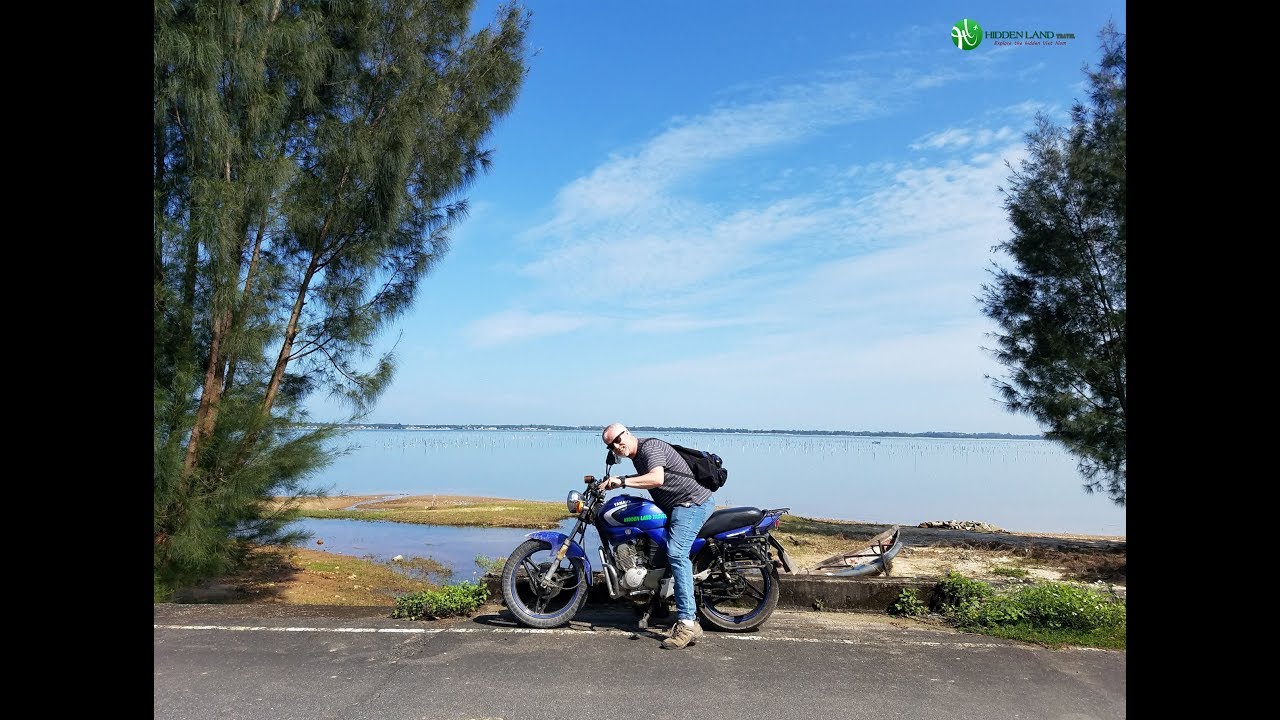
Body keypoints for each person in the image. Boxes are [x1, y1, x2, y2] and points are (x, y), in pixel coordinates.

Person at [599, 422, 715, 649]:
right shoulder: (637, 456)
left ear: (627, 434)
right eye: (611, 445)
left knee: (676, 553)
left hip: (690, 503)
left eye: (618, 439)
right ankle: (658, 602)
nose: (616, 446)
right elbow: (648, 476)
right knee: (654, 546)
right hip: (676, 506)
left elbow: (656, 478)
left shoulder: (649, 448)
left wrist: (622, 481)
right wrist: (615, 482)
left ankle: (688, 624)